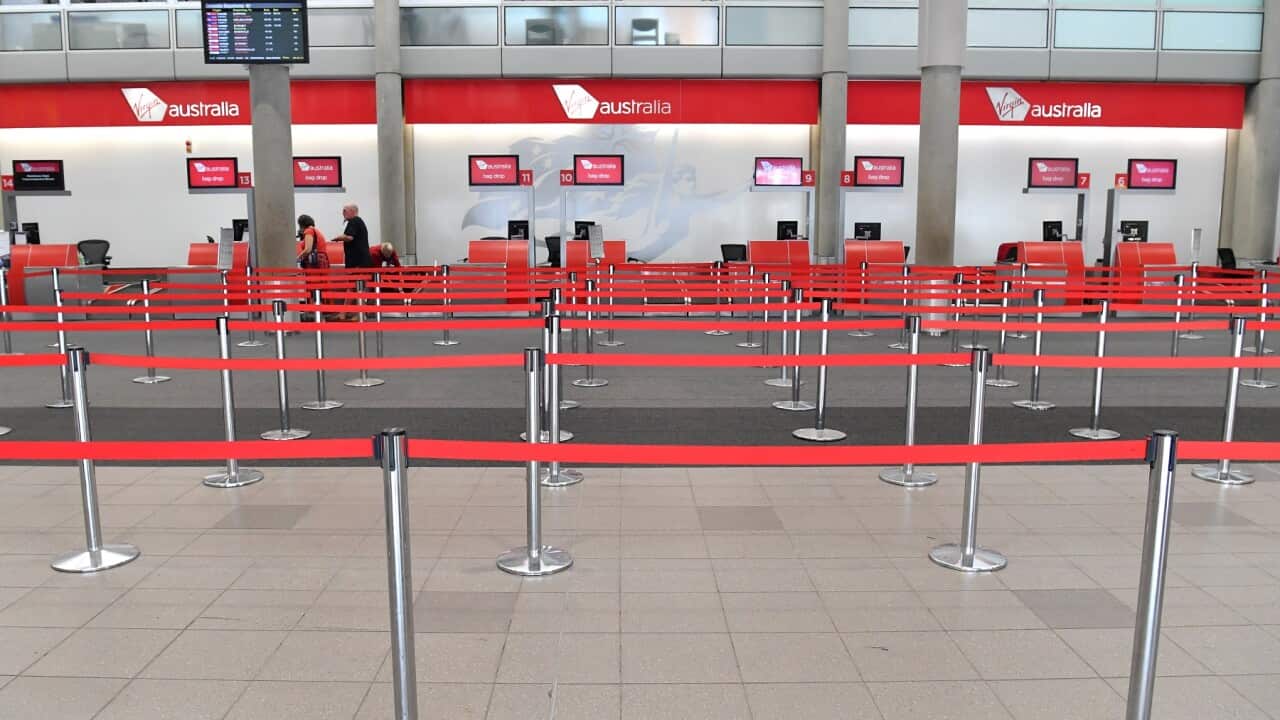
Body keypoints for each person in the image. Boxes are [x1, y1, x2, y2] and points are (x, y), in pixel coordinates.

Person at [333, 204, 372, 269]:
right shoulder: (358, 221)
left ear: (352, 211)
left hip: (357, 262)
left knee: (357, 279)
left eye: (345, 211)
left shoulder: (354, 220)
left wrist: (337, 238)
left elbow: (349, 237)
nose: (343, 213)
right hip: (360, 261)